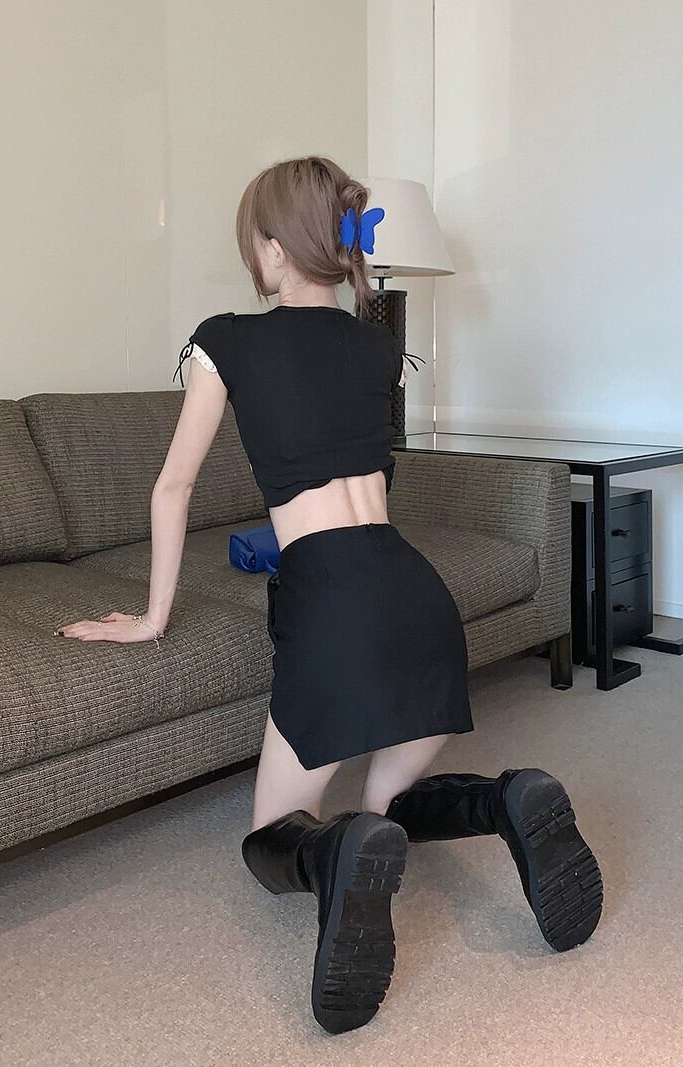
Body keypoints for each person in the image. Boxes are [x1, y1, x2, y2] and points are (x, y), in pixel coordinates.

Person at [55, 155, 603, 1035]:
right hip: (419, 599)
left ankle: (340, 851)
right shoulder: (378, 345)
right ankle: (505, 799)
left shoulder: (224, 341)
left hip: (331, 606)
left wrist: (153, 619)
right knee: (384, 805)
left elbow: (172, 488)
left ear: (273, 249)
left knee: (274, 837)